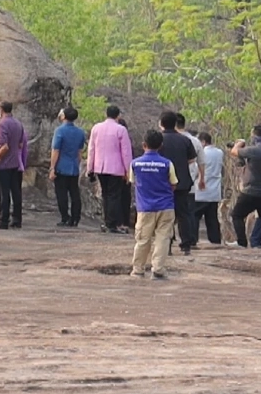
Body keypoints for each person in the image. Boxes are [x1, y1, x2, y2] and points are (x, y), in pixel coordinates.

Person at [128, 130, 178, 280]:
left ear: (144, 145)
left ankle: (138, 270)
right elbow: (174, 184)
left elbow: (132, 181)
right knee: (162, 239)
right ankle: (158, 270)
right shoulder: (167, 164)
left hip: (145, 208)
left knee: (143, 239)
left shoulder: (135, 163)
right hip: (166, 207)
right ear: (161, 145)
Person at [229, 126, 261, 251]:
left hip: (251, 192)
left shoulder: (254, 150)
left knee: (236, 215)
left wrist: (239, 144)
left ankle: (241, 242)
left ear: (255, 136)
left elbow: (234, 152)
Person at [156, 111, 198, 255]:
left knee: (164, 214)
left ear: (161, 123)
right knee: (183, 214)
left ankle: (166, 244)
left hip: (163, 182)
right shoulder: (185, 140)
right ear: (175, 123)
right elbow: (192, 160)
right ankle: (186, 244)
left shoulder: (158, 139)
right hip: (182, 182)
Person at [88, 105, 133, 234]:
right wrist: (128, 170)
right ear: (118, 115)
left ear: (105, 114)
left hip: (100, 167)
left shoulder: (96, 128)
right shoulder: (121, 130)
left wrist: (90, 168)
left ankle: (107, 221)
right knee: (114, 195)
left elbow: (92, 149)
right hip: (116, 168)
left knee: (105, 194)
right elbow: (126, 152)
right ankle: (112, 223)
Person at [0, 102, 27, 229]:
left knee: (4, 193)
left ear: (0, 109)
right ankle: (17, 219)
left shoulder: (2, 124)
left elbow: (4, 146)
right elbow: (21, 144)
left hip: (4, 164)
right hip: (15, 163)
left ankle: (3, 220)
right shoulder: (18, 123)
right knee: (16, 192)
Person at [50, 107, 87, 228]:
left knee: (62, 193)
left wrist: (52, 168)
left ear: (64, 116)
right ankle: (75, 218)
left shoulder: (59, 131)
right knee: (74, 193)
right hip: (74, 166)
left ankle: (65, 217)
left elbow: (56, 150)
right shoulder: (80, 132)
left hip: (61, 166)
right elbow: (79, 151)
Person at [191, 131, 223, 245]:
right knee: (212, 219)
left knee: (194, 216)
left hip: (201, 190)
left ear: (203, 142)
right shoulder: (219, 152)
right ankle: (215, 240)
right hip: (215, 191)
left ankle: (193, 239)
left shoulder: (201, 153)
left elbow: (195, 170)